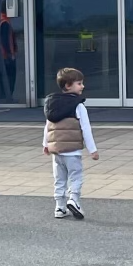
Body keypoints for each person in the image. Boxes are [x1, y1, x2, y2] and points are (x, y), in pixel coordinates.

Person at [42, 65, 100, 219]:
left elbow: (48, 126)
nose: (83, 86)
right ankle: (74, 200)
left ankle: (59, 207)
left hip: (56, 151)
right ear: (68, 85)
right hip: (72, 151)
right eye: (79, 83)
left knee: (59, 179)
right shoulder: (78, 106)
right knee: (76, 176)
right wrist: (92, 149)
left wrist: (45, 144)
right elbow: (86, 129)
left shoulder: (51, 104)